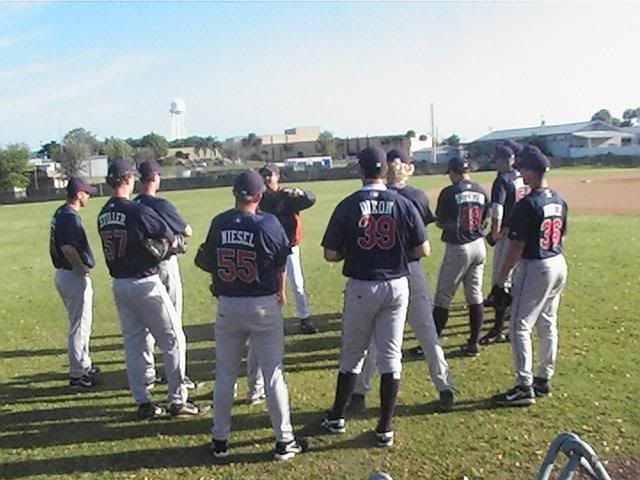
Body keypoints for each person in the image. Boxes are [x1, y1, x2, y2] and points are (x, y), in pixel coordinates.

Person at [320, 146, 429, 448]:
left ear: (360, 170)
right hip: (396, 284)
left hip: (362, 284)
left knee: (352, 354)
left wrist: (352, 251)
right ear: (385, 171)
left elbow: (330, 253)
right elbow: (423, 249)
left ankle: (338, 416)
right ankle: (385, 427)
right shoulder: (403, 202)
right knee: (390, 356)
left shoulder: (348, 204)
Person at [195, 170, 307, 461]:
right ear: (259, 196)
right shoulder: (268, 223)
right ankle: (284, 441)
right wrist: (282, 292)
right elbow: (282, 261)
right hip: (262, 303)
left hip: (229, 304)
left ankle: (220, 439)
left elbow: (206, 259)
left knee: (225, 374)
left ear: (234, 194)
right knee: (273, 374)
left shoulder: (220, 222)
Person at [346, 148, 454, 414]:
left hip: (380, 269)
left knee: (374, 337)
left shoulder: (370, 198)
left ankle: (360, 391)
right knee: (426, 330)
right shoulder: (414, 196)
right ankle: (444, 386)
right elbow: (423, 239)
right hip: (410, 268)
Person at [97, 159, 204, 419]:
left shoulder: (103, 212)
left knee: (136, 343)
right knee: (174, 338)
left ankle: (144, 402)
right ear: (127, 179)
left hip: (119, 284)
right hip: (145, 283)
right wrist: (167, 246)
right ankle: (178, 400)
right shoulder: (135, 210)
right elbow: (169, 237)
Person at [493, 146, 568, 406]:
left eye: (523, 168)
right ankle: (544, 377)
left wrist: (502, 278)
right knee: (547, 322)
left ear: (532, 171)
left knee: (519, 325)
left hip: (537, 265)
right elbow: (563, 235)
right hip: (558, 260)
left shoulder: (528, 203)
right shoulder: (558, 198)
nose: (520, 172)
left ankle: (524, 386)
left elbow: (516, 246)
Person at [134, 159, 202, 391]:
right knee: (172, 320)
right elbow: (188, 231)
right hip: (164, 265)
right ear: (155, 177)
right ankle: (176, 376)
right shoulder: (162, 204)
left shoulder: (134, 205)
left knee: (146, 325)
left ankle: (149, 373)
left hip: (142, 269)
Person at [432, 157, 490, 357]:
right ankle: (473, 343)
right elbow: (484, 218)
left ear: (454, 172)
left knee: (443, 297)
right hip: (479, 245)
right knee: (475, 295)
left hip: (458, 248)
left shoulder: (450, 192)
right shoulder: (482, 190)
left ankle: (432, 342)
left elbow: (440, 221)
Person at [50, 177, 100, 388]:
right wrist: (82, 269)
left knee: (81, 325)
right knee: (79, 326)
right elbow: (68, 248)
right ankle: (78, 374)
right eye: (86, 192)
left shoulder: (61, 212)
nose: (88, 196)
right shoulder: (70, 217)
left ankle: (84, 364)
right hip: (72, 275)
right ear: (79, 194)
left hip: (64, 273)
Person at [259, 163, 318, 334]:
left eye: (270, 175)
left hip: (289, 246)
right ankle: (273, 320)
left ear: (278, 177)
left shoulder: (287, 195)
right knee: (272, 285)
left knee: (297, 283)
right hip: (268, 248)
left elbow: (311, 199)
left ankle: (305, 317)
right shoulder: (260, 198)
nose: (267, 178)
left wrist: (302, 193)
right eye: (264, 175)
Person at [480, 143, 529, 345]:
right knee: (517, 280)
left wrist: (495, 232)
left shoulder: (502, 180)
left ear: (502, 160)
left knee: (501, 282)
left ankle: (500, 327)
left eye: (498, 160)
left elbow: (497, 209)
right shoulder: (521, 177)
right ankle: (512, 320)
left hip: (509, 234)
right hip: (524, 233)